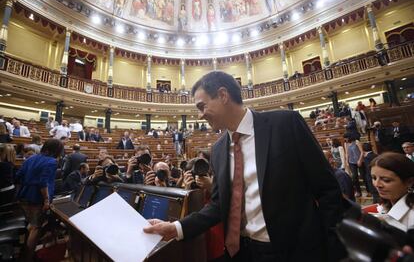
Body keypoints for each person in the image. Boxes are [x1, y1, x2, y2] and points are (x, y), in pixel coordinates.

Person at [144, 71, 344, 261]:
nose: (200, 115)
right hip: (241, 252)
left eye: (202, 106)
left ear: (223, 95)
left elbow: (327, 189)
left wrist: (332, 247)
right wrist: (176, 228)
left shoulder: (285, 124)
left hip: (296, 251)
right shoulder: (219, 149)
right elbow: (218, 206)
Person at [15, 139, 64, 261]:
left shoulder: (31, 158)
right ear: (57, 150)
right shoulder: (52, 162)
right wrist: (47, 200)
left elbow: (18, 176)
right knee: (36, 227)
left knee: (31, 225)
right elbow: (43, 182)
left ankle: (23, 252)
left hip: (24, 195)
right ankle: (28, 257)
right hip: (38, 198)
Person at [370, 152, 414, 231]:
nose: (377, 184)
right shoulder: (383, 206)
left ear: (409, 182)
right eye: (374, 178)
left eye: (386, 180)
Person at [344, 133, 365, 198]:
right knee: (354, 177)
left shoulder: (356, 142)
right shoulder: (346, 144)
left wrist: (360, 160)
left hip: (359, 160)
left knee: (363, 175)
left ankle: (369, 190)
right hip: (351, 162)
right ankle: (358, 191)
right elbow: (347, 153)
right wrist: (347, 161)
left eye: (346, 138)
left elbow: (362, 152)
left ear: (349, 137)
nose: (345, 139)